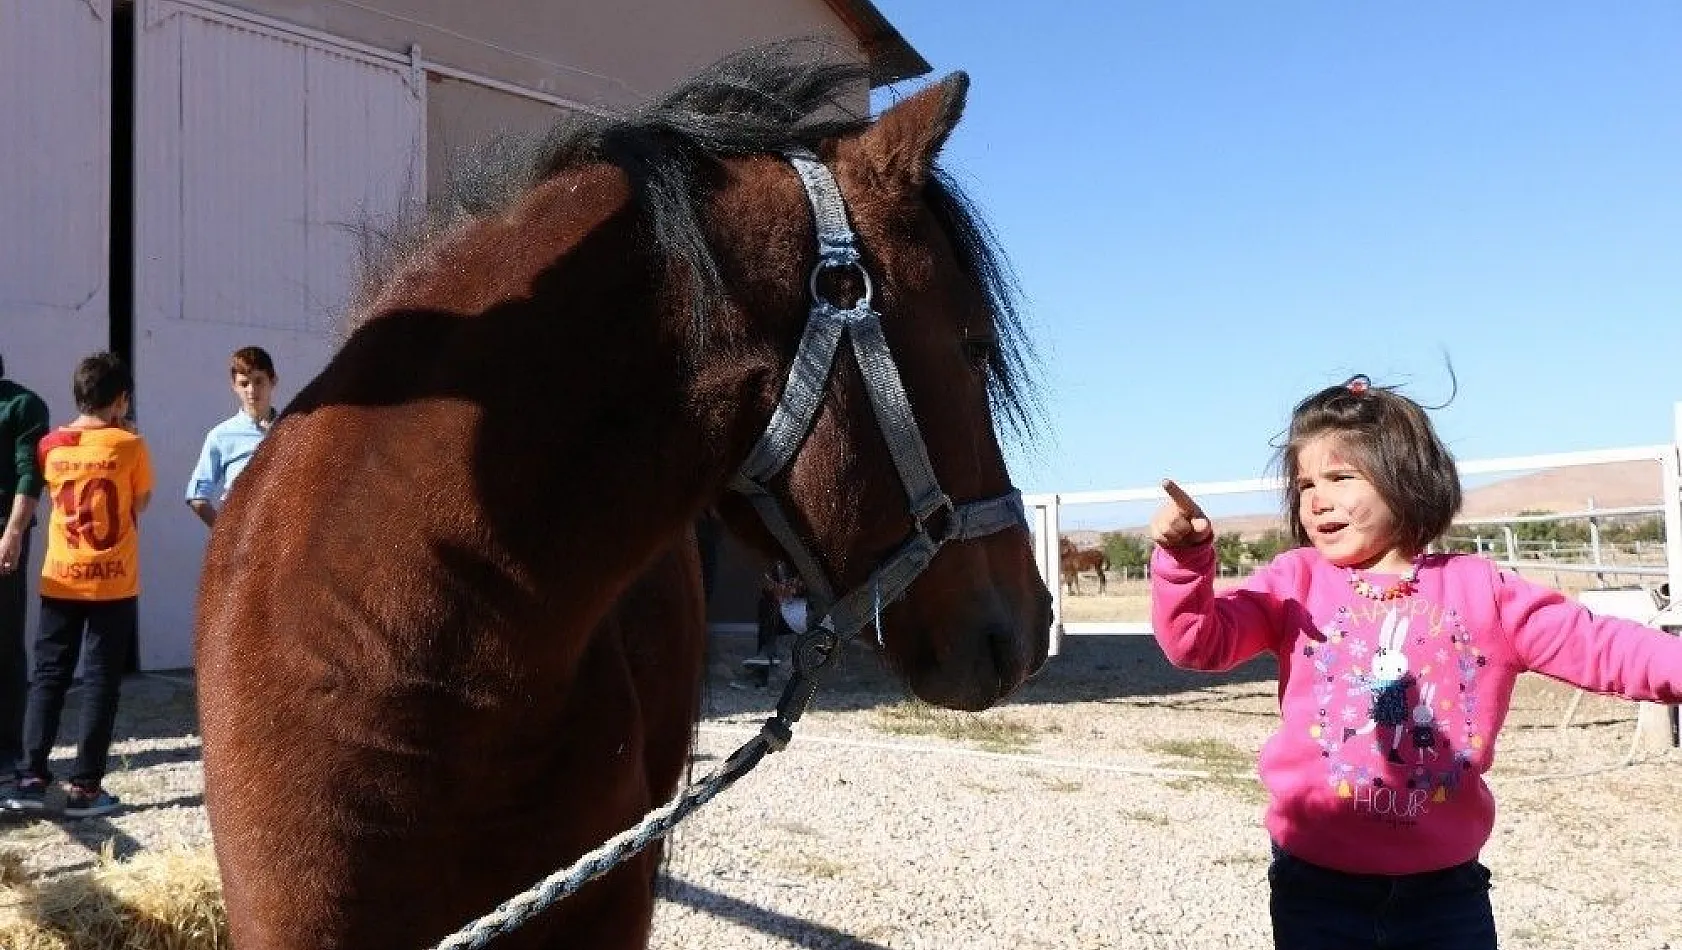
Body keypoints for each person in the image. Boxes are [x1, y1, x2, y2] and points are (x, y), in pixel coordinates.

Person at [1148, 373, 1682, 950]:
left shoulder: (1485, 593)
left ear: (1405, 481)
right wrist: (1184, 562)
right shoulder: (1294, 582)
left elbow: (1604, 648)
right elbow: (1197, 643)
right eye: (1304, 485)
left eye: (1340, 477)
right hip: (1316, 886)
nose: (1316, 499)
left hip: (1445, 896)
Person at [5, 353, 152, 819]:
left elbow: (39, 486)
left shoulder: (52, 444)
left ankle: (30, 776)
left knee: (48, 677)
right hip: (113, 582)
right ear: (121, 399)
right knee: (101, 683)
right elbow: (140, 501)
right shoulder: (129, 445)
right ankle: (85, 788)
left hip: (61, 577)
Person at [0, 354, 49, 799]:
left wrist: (13, 531)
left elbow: (29, 474)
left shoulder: (22, 405)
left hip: (1, 534)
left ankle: (7, 753)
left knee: (4, 642)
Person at [186, 346, 277, 528]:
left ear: (273, 381)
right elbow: (197, 496)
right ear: (234, 386)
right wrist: (225, 535)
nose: (251, 390)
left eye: (259, 381)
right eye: (244, 383)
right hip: (242, 541)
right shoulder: (221, 436)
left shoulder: (290, 430)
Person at [737, 560, 807, 689]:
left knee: (769, 607)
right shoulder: (782, 563)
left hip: (813, 612)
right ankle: (764, 661)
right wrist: (775, 589)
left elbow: (817, 588)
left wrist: (797, 588)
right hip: (793, 612)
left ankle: (766, 657)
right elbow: (767, 585)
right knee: (767, 605)